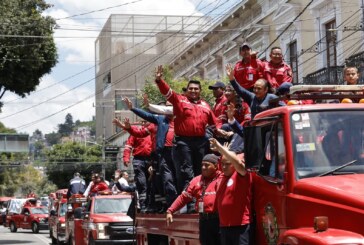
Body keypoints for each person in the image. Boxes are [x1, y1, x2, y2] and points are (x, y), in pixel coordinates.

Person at [154, 65, 222, 196]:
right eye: (190, 88)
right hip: (183, 143)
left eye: (196, 89)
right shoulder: (180, 100)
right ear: (186, 91)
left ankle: (200, 198)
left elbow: (214, 124)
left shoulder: (205, 105)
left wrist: (221, 131)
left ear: (200, 91)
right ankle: (189, 201)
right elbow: (168, 92)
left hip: (201, 142)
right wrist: (159, 81)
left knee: (201, 170)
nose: (193, 91)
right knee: (187, 171)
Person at [166, 154, 222, 245]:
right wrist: (170, 211)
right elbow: (183, 197)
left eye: (207, 165)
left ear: (216, 166)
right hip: (204, 222)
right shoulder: (196, 181)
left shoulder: (221, 178)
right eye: (202, 165)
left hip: (219, 221)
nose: (203, 167)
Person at [209, 138, 252, 245]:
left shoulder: (241, 175)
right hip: (224, 227)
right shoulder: (222, 176)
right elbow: (221, 162)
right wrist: (222, 151)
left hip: (240, 226)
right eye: (222, 164)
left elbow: (237, 162)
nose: (223, 167)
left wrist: (220, 148)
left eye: (227, 164)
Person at [121, 127, 153, 212]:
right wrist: (126, 158)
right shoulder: (136, 132)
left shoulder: (153, 130)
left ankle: (151, 205)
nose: (143, 123)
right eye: (142, 121)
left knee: (152, 184)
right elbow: (128, 146)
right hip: (138, 160)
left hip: (151, 160)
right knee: (142, 183)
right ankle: (143, 206)